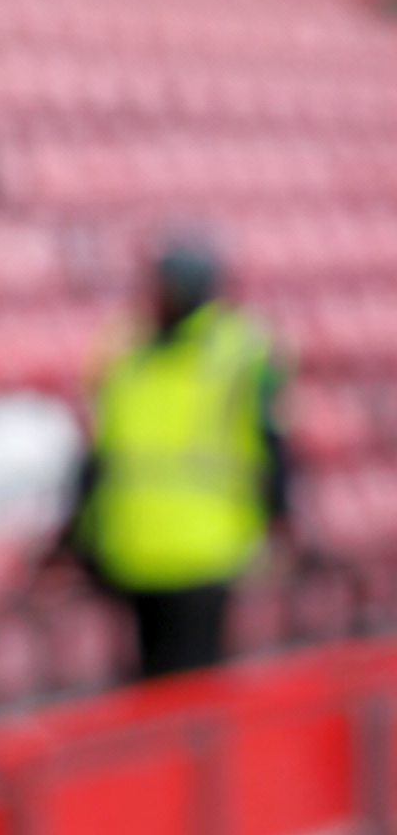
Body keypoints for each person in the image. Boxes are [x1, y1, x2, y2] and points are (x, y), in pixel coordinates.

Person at [61, 235, 290, 680]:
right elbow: (100, 455)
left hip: (186, 551)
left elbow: (271, 445)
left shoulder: (234, 351)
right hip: (151, 550)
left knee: (180, 685)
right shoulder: (130, 350)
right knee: (171, 688)